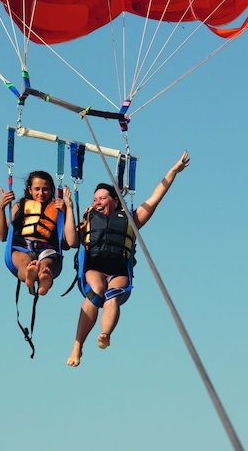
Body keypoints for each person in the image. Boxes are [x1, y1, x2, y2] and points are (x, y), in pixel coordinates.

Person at [67, 150, 190, 366]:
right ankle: (77, 346)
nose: (97, 202)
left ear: (114, 200)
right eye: (95, 199)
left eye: (102, 198)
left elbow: (155, 197)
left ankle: (105, 334)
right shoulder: (88, 220)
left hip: (119, 271)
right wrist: (70, 209)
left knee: (112, 296)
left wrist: (174, 171)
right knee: (96, 292)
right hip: (94, 268)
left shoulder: (131, 219)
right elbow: (70, 241)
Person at [0, 170, 78, 296]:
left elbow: (68, 244)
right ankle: (29, 276)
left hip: (47, 251)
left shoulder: (58, 209)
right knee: (24, 263)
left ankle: (44, 280)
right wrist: (1, 208)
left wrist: (67, 210)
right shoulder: (20, 206)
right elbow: (3, 236)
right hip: (22, 248)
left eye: (45, 189)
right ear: (30, 189)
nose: (41, 193)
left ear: (52, 190)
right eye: (37, 189)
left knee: (46, 266)